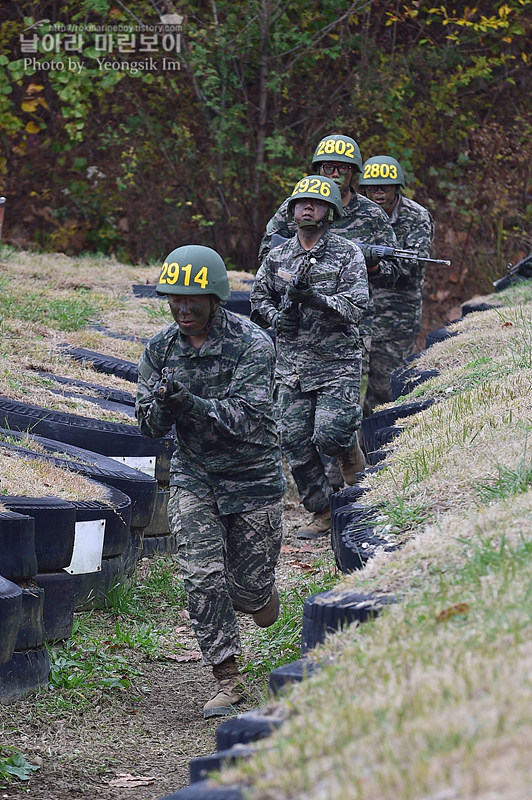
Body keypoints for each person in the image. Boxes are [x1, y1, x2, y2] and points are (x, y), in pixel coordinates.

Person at [135, 244, 285, 719]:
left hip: (253, 478)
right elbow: (148, 426)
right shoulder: (159, 349)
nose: (182, 308)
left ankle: (259, 593)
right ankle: (228, 678)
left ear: (215, 298)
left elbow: (248, 417)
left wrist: (191, 404)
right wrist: (164, 404)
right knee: (201, 576)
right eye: (174, 299)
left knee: (248, 594)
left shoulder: (252, 344)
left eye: (192, 300)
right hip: (195, 477)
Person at [251, 175, 369, 539]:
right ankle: (321, 510)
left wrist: (315, 298)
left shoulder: (347, 254)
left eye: (315, 204)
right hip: (292, 370)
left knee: (331, 436)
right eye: (301, 203)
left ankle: (356, 474)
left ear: (329, 212)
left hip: (337, 365)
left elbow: (355, 308)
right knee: (295, 444)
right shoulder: (278, 255)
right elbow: (258, 300)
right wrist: (276, 317)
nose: (307, 207)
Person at [358, 155, 435, 414]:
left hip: (396, 315)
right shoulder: (353, 214)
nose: (378, 193)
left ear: (397, 188)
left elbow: (409, 267)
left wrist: (372, 263)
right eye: (372, 187)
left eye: (385, 187)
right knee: (343, 389)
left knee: (383, 390)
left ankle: (374, 450)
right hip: (354, 311)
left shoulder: (417, 217)